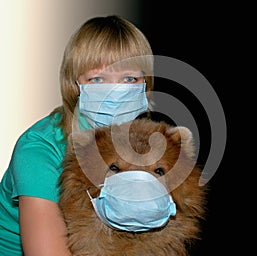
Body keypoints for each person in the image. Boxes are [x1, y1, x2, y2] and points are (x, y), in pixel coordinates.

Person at [0, 15, 154, 255]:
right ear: (75, 85)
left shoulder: (144, 142)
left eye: (129, 79)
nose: (116, 92)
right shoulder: (40, 150)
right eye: (98, 79)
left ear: (145, 85)